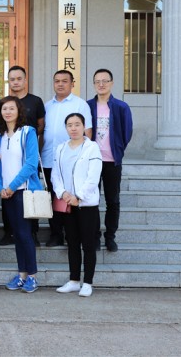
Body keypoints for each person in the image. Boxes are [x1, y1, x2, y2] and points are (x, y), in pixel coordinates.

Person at [0, 96, 41, 293]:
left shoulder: (28, 132)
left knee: (24, 234)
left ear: (19, 111)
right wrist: (0, 187)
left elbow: (31, 164)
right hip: (7, 193)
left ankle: (32, 277)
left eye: (12, 108)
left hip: (23, 191)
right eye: (4, 109)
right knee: (17, 235)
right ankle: (22, 275)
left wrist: (12, 186)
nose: (8, 112)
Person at [51, 113, 102, 297]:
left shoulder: (92, 147)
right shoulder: (60, 148)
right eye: (70, 125)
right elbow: (55, 174)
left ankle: (87, 282)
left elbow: (93, 176)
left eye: (77, 124)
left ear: (84, 126)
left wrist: (79, 196)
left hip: (86, 205)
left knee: (88, 244)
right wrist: (62, 193)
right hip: (67, 204)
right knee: (72, 243)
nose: (73, 128)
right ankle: (73, 281)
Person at [42, 70, 92, 247]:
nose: (60, 84)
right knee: (52, 197)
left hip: (71, 162)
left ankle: (72, 235)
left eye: (64, 81)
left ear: (72, 83)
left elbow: (87, 133)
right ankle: (56, 234)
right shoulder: (47, 106)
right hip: (48, 159)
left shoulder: (80, 104)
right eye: (57, 81)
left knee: (69, 196)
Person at [87, 69, 133, 252]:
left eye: (105, 81)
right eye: (97, 81)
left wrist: (118, 149)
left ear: (112, 83)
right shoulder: (88, 106)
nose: (101, 84)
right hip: (92, 161)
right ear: (94, 84)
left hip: (112, 161)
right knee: (92, 201)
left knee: (112, 200)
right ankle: (94, 236)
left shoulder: (121, 107)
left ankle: (110, 236)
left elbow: (127, 132)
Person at [3, 65, 47, 246]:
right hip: (9, 155)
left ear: (25, 80)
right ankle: (9, 232)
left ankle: (33, 232)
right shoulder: (5, 102)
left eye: (19, 78)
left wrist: (31, 146)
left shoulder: (35, 101)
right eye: (12, 79)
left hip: (28, 154)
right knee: (8, 191)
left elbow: (41, 125)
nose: (15, 82)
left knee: (30, 193)